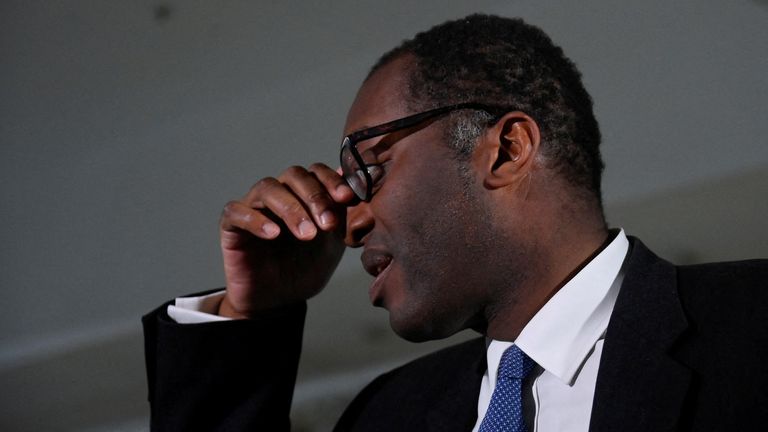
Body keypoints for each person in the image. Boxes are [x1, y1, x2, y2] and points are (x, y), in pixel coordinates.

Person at [142, 14, 768, 431]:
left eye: (371, 167)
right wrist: (252, 320)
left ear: (505, 150)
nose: (350, 220)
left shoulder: (751, 329)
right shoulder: (388, 417)